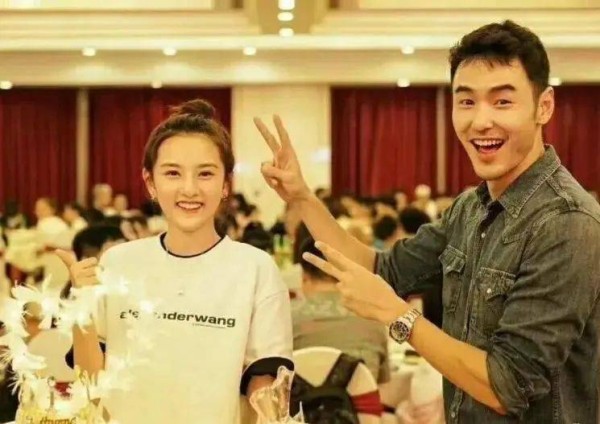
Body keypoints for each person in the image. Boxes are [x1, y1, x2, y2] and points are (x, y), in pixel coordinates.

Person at [254, 21, 600, 423]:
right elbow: (382, 269)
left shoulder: (566, 222)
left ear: (544, 106)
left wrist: (399, 316)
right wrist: (302, 197)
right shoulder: (470, 208)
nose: (480, 121)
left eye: (502, 102)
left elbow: (509, 385)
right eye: (466, 101)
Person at [57, 99, 293, 423]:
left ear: (226, 184)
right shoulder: (118, 263)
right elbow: (90, 383)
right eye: (172, 173)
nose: (189, 189)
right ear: (150, 183)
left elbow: (264, 382)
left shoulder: (254, 268)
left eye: (205, 174)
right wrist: (82, 308)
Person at [292, 237, 390, 384]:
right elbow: (382, 383)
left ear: (304, 277)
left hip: (299, 398)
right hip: (360, 397)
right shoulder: (372, 317)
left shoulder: (288, 318)